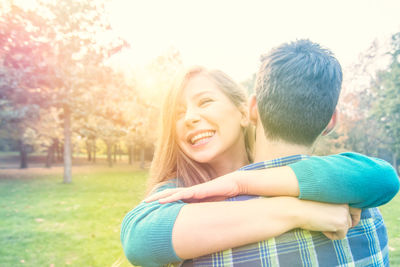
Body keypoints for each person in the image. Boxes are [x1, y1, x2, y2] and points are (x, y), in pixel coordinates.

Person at [147, 40, 400, 266]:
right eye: (178, 113)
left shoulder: (203, 248)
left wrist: (240, 183)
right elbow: (140, 235)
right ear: (331, 121)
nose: (190, 118)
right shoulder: (361, 211)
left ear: (249, 110)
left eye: (205, 102)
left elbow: (384, 177)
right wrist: (300, 212)